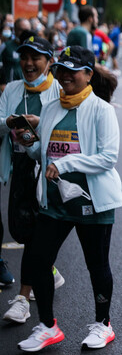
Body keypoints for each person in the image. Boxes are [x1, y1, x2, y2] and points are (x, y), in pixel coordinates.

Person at [17, 46, 122, 352]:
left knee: (97, 265)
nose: (64, 77)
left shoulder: (102, 110)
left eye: (72, 71)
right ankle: (48, 326)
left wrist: (66, 164)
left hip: (92, 202)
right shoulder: (51, 108)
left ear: (88, 74)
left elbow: (108, 157)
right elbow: (43, 154)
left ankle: (103, 324)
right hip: (55, 202)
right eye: (60, 70)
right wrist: (26, 139)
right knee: (38, 261)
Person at [0, 36, 65, 324]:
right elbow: (0, 120)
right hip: (20, 167)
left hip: (49, 171)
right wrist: (13, 123)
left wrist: (41, 124)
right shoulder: (13, 88)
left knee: (36, 234)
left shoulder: (60, 91)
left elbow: (65, 131)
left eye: (35, 57)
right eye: (24, 57)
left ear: (49, 61)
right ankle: (49, 269)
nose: (28, 63)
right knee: (20, 230)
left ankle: (23, 299)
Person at [1, 18, 32, 90]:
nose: (25, 33)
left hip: (28, 88)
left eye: (27, 30)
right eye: (22, 30)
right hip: (9, 88)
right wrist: (2, 84)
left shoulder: (34, 48)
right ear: (15, 30)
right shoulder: (6, 46)